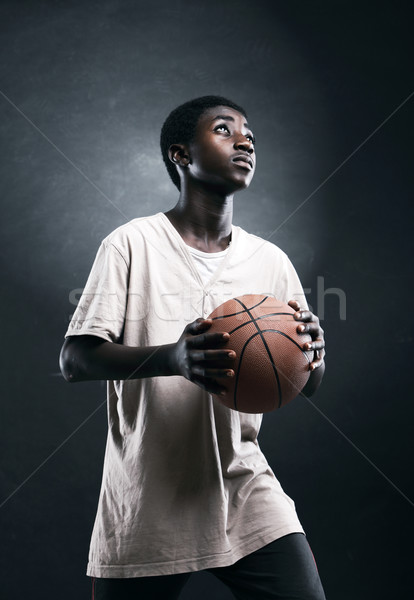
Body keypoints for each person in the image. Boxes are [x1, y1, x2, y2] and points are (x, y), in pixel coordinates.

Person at [60, 95, 326, 599]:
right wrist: (173, 358)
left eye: (249, 133)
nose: (245, 140)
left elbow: (310, 385)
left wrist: (313, 353)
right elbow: (75, 360)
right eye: (225, 130)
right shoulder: (131, 243)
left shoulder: (271, 262)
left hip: (243, 487)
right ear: (181, 155)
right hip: (147, 498)